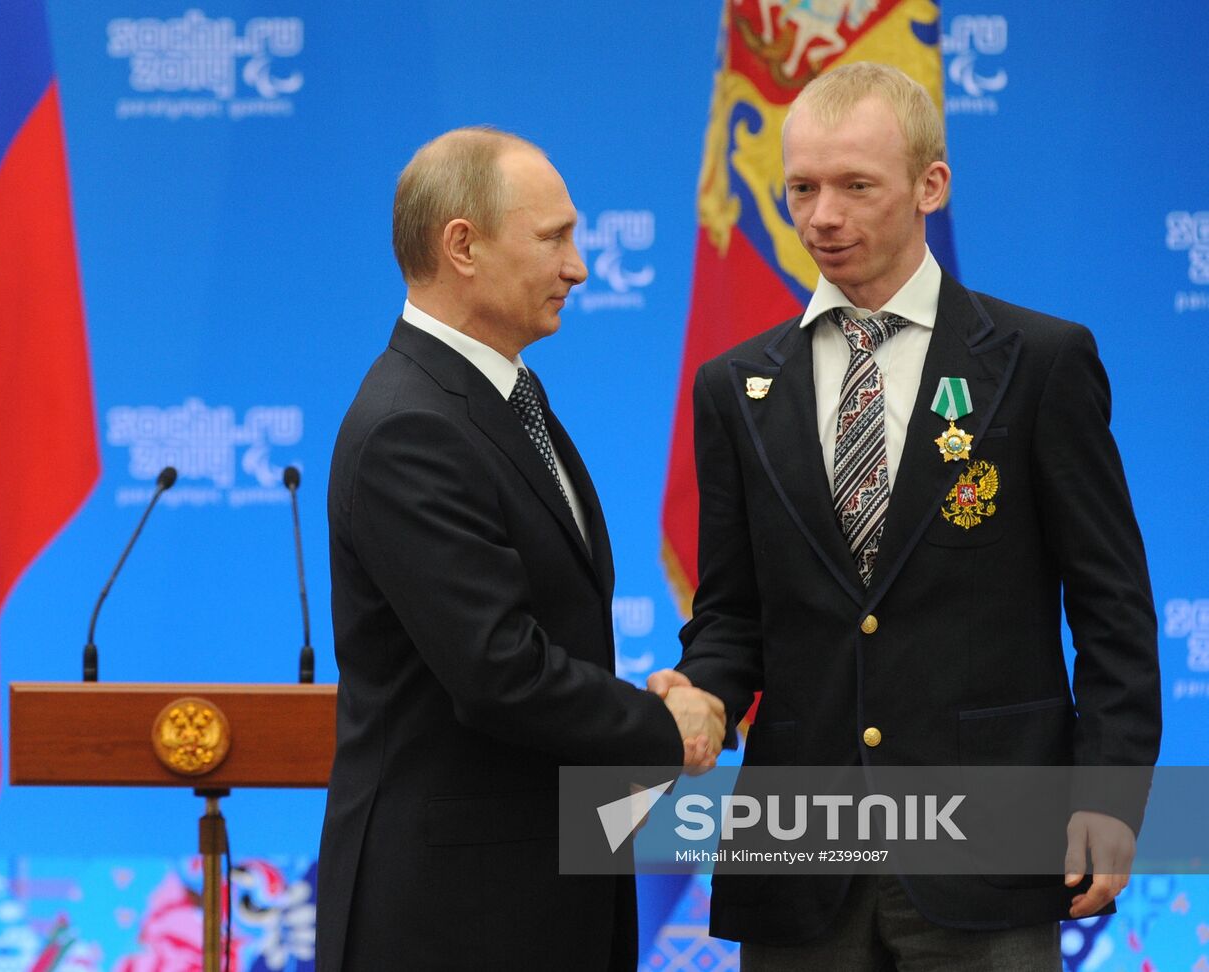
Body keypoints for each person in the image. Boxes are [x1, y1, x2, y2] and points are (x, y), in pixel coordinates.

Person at [649, 62, 1160, 969]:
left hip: (990, 846)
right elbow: (732, 615)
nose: (822, 217)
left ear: (931, 184)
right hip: (801, 860)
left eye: (855, 186)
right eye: (801, 187)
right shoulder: (733, 387)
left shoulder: (1039, 363)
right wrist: (704, 697)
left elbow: (1112, 608)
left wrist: (1111, 796)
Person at [316, 126, 726, 971]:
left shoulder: (499, 395)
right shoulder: (411, 427)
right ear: (461, 246)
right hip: (456, 920)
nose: (578, 265)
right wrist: (662, 727)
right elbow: (498, 670)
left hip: (541, 891)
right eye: (554, 239)